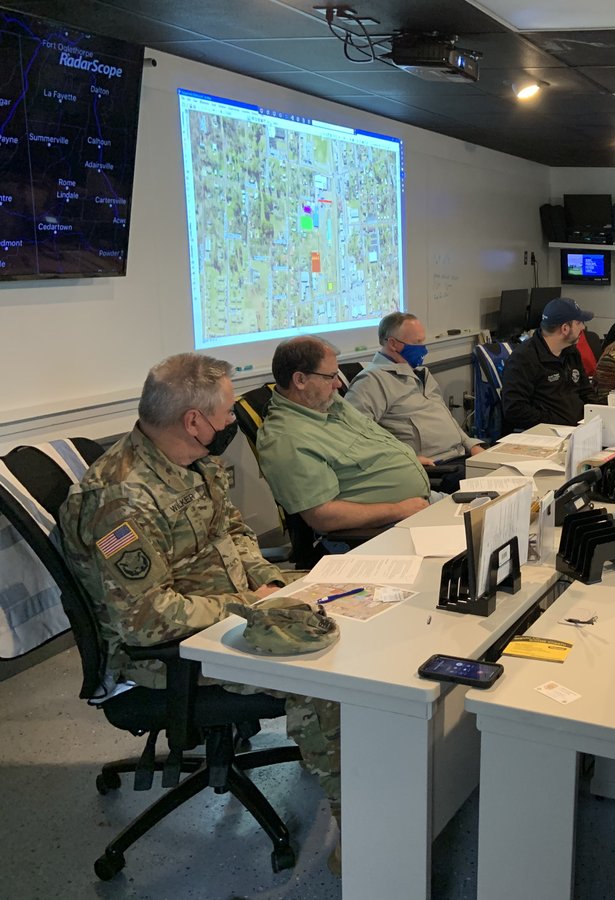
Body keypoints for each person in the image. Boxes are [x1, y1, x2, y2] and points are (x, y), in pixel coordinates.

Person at [58, 353, 341, 866]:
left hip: (225, 611)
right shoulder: (121, 501)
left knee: (343, 613)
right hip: (169, 651)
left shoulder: (191, 460)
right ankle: (361, 829)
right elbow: (146, 620)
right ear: (194, 421)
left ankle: (327, 754)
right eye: (228, 411)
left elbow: (231, 530)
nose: (234, 419)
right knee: (324, 673)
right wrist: (248, 607)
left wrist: (267, 581)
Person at [258, 336, 430, 531]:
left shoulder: (327, 402)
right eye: (330, 377)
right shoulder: (286, 439)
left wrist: (404, 458)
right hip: (387, 526)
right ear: (300, 380)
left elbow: (366, 446)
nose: (338, 384)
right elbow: (323, 517)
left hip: (418, 505)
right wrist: (399, 510)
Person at [345, 312, 483, 492]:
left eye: (422, 342)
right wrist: (405, 459)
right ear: (393, 344)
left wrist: (472, 444)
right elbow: (354, 435)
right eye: (417, 343)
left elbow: (445, 417)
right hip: (432, 467)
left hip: (460, 456)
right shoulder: (371, 381)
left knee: (507, 461)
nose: (423, 349)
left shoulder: (421, 373)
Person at [501, 297, 598, 431]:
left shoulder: (571, 353)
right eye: (579, 323)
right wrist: (557, 423)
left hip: (579, 429)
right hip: (546, 433)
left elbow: (586, 393)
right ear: (565, 328)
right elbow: (515, 410)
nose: (583, 327)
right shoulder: (523, 359)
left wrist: (600, 416)